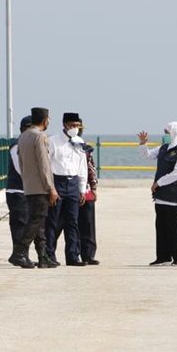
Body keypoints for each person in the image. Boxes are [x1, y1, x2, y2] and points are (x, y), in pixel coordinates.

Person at [9, 107, 59, 269]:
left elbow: (22, 164)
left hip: (29, 185)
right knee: (36, 221)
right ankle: (19, 252)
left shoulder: (23, 137)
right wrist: (51, 188)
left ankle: (42, 256)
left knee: (38, 222)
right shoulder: (39, 137)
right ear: (44, 120)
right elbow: (44, 165)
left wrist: (27, 181)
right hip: (40, 186)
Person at [138, 122, 177, 266]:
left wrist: (159, 183)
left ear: (174, 133)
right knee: (161, 227)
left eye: (167, 132)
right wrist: (143, 144)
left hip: (174, 196)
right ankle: (163, 256)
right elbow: (147, 155)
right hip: (161, 196)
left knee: (173, 227)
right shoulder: (163, 148)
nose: (165, 135)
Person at [46, 112, 89, 267]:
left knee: (73, 222)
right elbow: (47, 166)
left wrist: (82, 189)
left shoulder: (79, 141)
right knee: (53, 221)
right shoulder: (53, 141)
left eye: (77, 126)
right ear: (64, 125)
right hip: (57, 182)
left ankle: (73, 256)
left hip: (73, 183)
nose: (75, 128)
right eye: (72, 125)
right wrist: (50, 188)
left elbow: (82, 166)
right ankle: (49, 255)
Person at [5, 115, 33, 254]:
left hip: (27, 190)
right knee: (19, 223)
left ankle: (23, 254)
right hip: (17, 191)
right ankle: (19, 254)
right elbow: (20, 169)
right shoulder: (17, 145)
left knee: (27, 224)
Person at [78, 118, 100, 265]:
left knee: (88, 224)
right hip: (69, 190)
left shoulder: (85, 148)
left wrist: (93, 187)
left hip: (86, 190)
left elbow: (91, 169)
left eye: (79, 127)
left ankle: (88, 255)